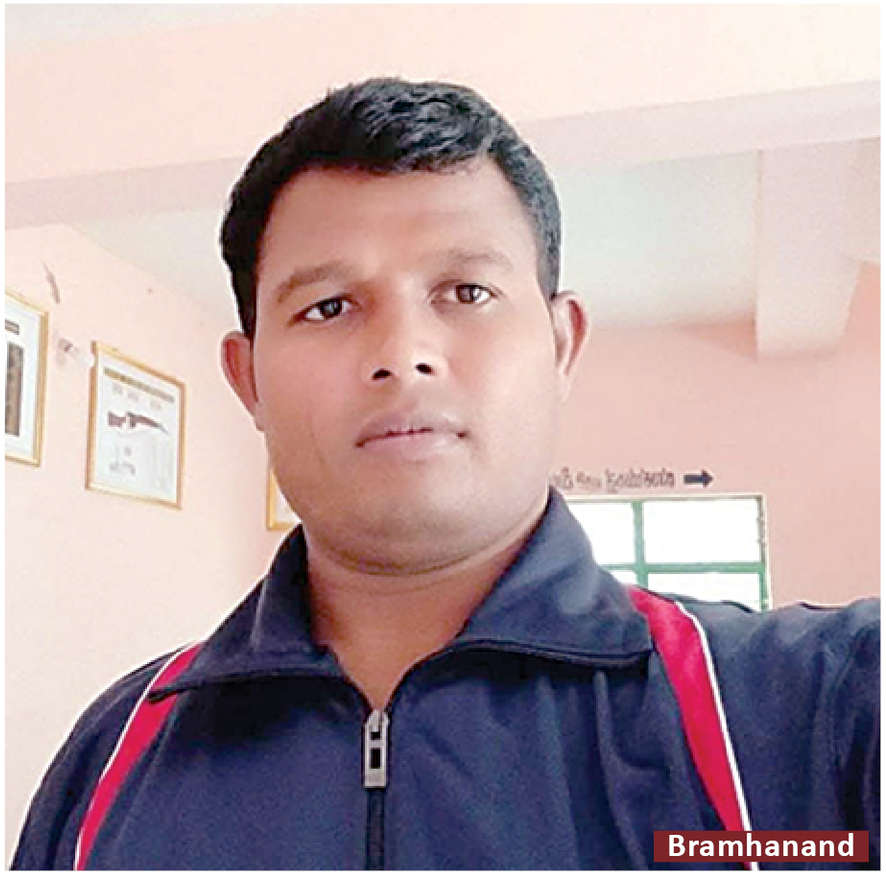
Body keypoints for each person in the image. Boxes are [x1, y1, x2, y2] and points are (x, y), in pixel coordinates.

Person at [13, 78, 879, 870]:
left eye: (466, 292)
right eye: (328, 306)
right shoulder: (116, 755)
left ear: (561, 345)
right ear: (249, 382)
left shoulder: (814, 708)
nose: (403, 354)